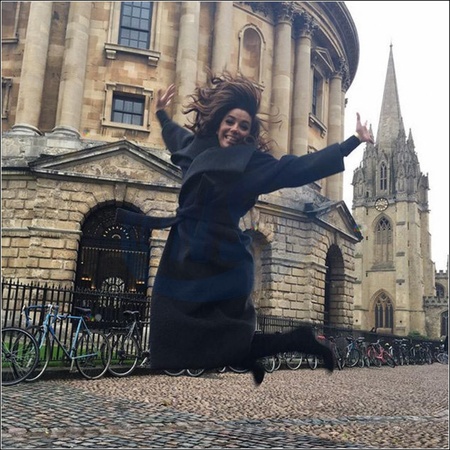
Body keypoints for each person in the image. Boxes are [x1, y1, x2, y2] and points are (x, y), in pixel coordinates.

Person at [116, 72, 374, 385]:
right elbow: (175, 136)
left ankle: (274, 348)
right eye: (230, 122)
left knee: (221, 340)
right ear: (218, 122)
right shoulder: (197, 150)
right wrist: (160, 113)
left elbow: (297, 168)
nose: (235, 130)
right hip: (185, 253)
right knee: (186, 331)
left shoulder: (250, 164)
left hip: (222, 257)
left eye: (243, 126)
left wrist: (352, 141)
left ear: (249, 133)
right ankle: (289, 343)